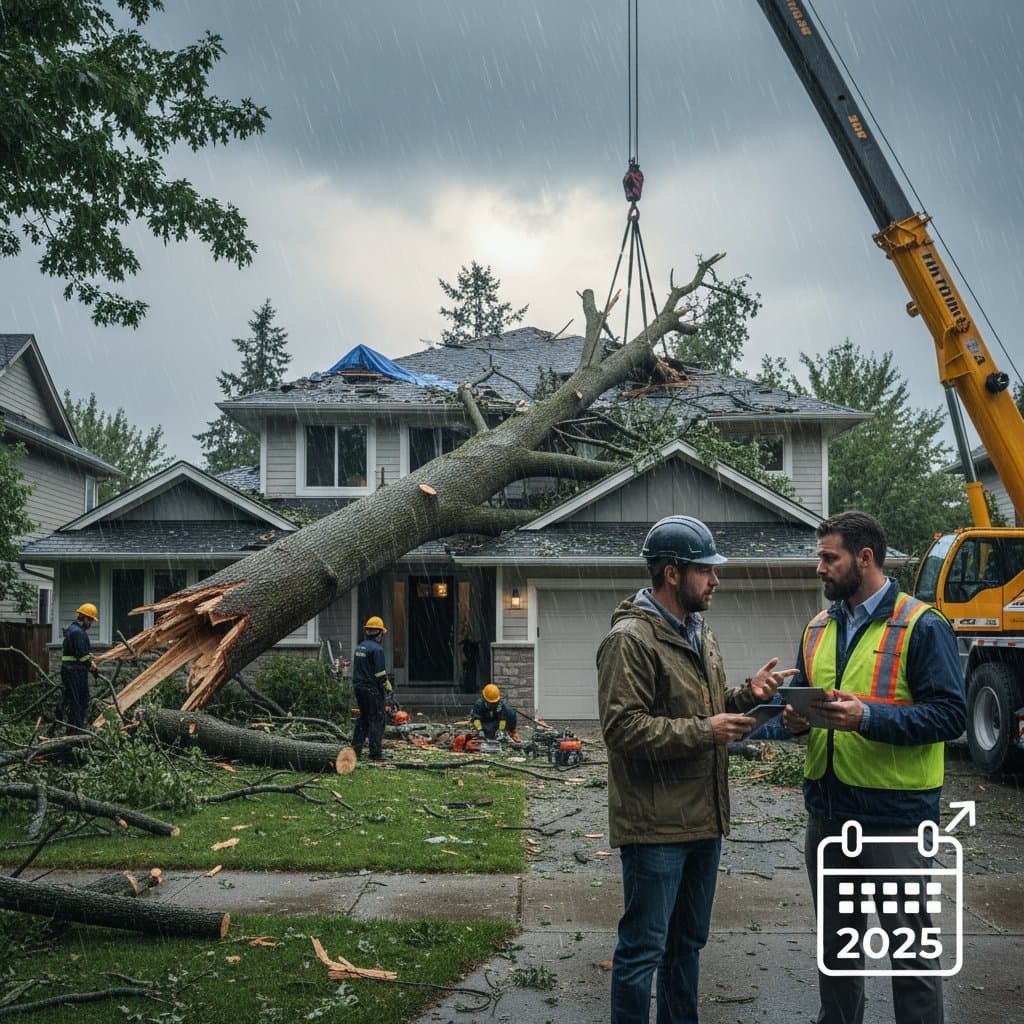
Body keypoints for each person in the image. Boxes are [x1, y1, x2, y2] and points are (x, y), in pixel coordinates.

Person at [597, 515, 795, 1024]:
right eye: (706, 570)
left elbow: (704, 705)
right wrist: (707, 730)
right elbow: (623, 731)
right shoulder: (631, 640)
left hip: (704, 819)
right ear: (671, 572)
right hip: (656, 826)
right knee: (643, 950)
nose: (716, 581)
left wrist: (747, 695)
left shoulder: (699, 632)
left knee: (687, 945)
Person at [782, 511, 966, 1024]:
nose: (819, 568)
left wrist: (868, 716)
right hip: (828, 818)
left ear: (864, 559)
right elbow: (807, 709)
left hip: (897, 822)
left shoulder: (922, 625)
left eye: (828, 558)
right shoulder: (818, 627)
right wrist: (794, 721)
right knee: (837, 957)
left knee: (911, 958)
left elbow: (951, 715)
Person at [351, 615, 392, 762]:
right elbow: (380, 673)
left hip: (359, 687)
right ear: (380, 633)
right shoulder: (377, 649)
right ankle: (375, 753)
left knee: (363, 719)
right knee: (377, 719)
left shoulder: (360, 647)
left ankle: (355, 751)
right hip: (371, 689)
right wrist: (387, 686)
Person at [61, 602, 98, 733]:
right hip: (74, 672)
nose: (91, 624)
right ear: (85, 618)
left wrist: (88, 655)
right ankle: (75, 733)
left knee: (77, 701)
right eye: (91, 621)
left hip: (72, 671)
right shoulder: (78, 633)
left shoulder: (73, 630)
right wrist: (92, 666)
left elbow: (77, 651)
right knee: (78, 702)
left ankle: (73, 729)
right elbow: (82, 657)